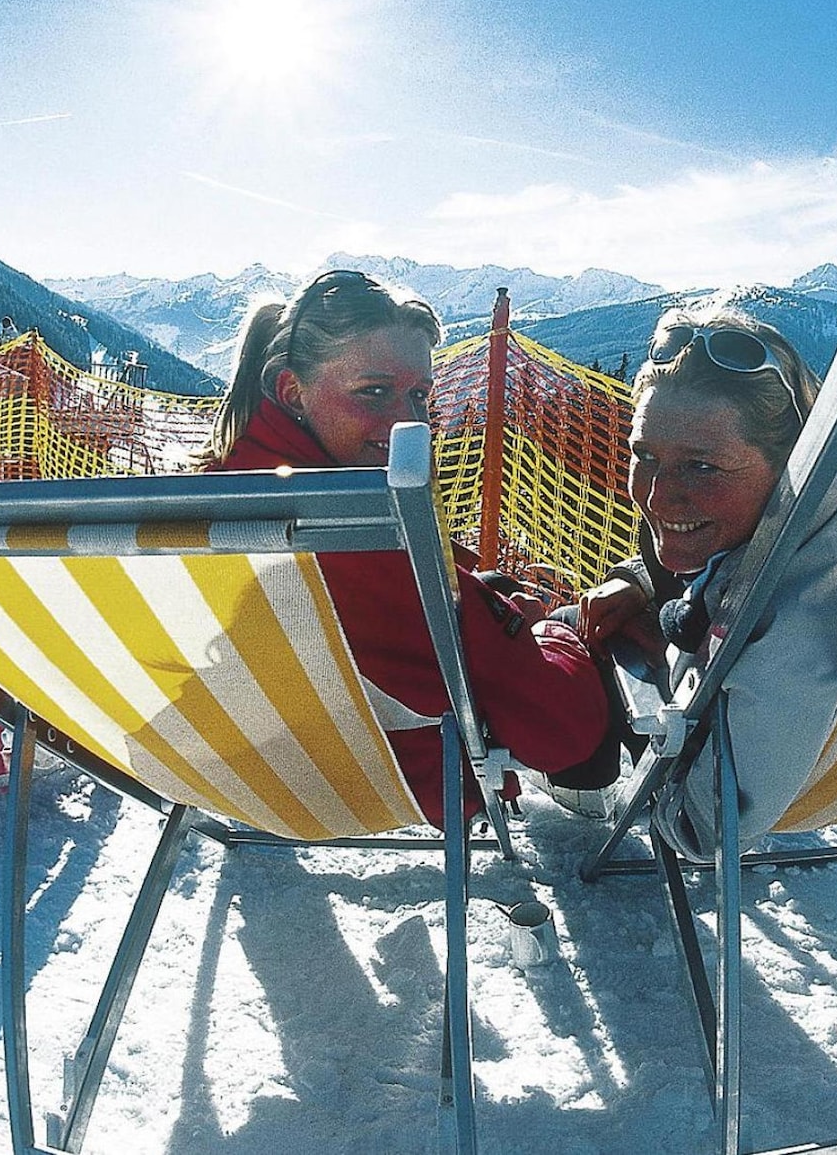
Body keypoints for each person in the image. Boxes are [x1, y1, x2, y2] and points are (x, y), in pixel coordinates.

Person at [196, 268, 612, 827]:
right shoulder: (354, 535)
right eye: (373, 392)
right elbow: (560, 731)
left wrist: (478, 594)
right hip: (387, 782)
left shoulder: (210, 499)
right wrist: (548, 632)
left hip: (239, 771)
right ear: (293, 390)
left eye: (418, 395)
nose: (405, 422)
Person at [574, 303, 837, 858]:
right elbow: (706, 564)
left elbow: (703, 828)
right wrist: (639, 580)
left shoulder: (791, 629)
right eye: (645, 455)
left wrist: (649, 794)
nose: (656, 496)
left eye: (701, 466)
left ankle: (572, 787)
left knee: (573, 635)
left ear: (791, 462)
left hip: (732, 787)